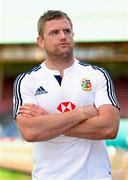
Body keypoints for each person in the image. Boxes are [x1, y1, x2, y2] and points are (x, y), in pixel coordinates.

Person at [13, 10, 120, 180]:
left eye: (67, 31)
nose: (63, 36)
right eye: (54, 32)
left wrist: (49, 122)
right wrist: (81, 113)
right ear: (40, 41)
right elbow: (30, 132)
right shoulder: (27, 81)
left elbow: (109, 128)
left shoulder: (97, 75)